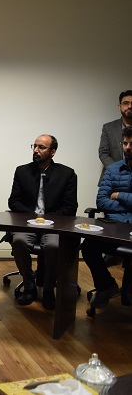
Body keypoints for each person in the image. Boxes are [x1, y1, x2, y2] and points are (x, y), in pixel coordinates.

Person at [8, 134, 77, 309]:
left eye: (41, 147)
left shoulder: (67, 174)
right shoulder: (22, 171)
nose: (36, 150)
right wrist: (33, 217)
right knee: (19, 241)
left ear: (52, 152)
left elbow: (70, 207)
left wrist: (47, 220)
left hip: (53, 225)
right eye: (35, 146)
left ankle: (48, 289)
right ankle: (29, 286)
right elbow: (13, 202)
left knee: (54, 246)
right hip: (28, 223)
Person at [82, 126, 132, 308]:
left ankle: (128, 291)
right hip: (114, 227)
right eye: (125, 143)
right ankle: (106, 285)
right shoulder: (113, 169)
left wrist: (119, 195)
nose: (127, 148)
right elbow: (102, 201)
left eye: (131, 144)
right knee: (88, 246)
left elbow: (111, 198)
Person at [98, 90, 132, 184]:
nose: (130, 106)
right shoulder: (108, 127)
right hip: (112, 178)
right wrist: (118, 171)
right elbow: (103, 153)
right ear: (119, 106)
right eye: (126, 103)